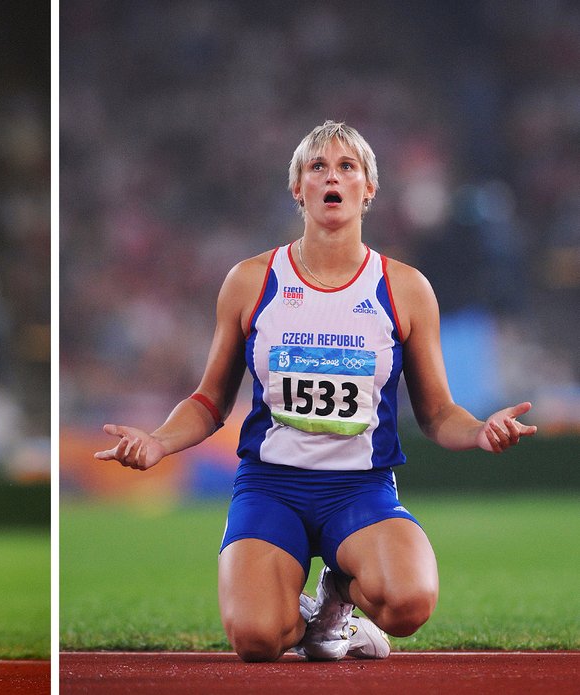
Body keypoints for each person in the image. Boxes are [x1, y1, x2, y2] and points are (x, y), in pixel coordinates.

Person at [95, 121, 537, 662]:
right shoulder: (251, 281)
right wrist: (159, 443)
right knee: (257, 639)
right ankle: (300, 614)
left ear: (368, 188)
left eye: (347, 166)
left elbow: (437, 411)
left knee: (409, 603)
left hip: (359, 490)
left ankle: (336, 598)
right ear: (297, 188)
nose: (332, 176)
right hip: (270, 487)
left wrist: (480, 432)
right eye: (317, 166)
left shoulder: (405, 289)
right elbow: (210, 401)